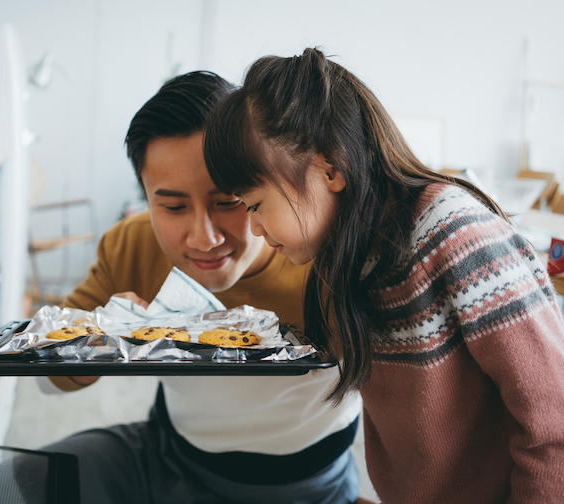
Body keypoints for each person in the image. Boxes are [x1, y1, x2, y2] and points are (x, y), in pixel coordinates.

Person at [202, 47, 564, 504]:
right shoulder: (345, 256)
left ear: (330, 168)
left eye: (255, 205)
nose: (254, 226)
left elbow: (553, 424)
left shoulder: (455, 235)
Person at [39, 71, 363, 504]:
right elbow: (44, 376)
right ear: (145, 198)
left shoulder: (328, 258)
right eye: (173, 206)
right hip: (167, 457)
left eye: (229, 201)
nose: (203, 238)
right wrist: (103, 343)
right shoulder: (132, 245)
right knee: (12, 485)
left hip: (308, 483)